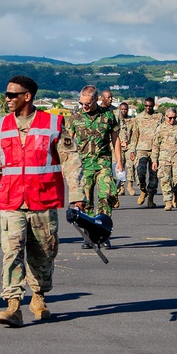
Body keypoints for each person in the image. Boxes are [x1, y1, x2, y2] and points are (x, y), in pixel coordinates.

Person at [0, 75, 85, 327]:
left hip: (44, 199)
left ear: (27, 96)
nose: (6, 99)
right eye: (6, 95)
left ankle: (38, 297)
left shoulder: (53, 124)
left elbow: (71, 162)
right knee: (12, 252)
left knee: (43, 253)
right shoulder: (0, 127)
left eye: (11, 95)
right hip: (11, 200)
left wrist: (78, 196)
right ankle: (13, 305)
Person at [67, 85, 122, 246]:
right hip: (83, 165)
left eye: (88, 103)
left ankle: (103, 233)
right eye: (81, 103)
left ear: (96, 100)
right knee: (86, 201)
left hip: (103, 162)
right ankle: (90, 234)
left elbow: (115, 139)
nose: (84, 106)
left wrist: (119, 161)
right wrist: (67, 164)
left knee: (107, 196)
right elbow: (68, 142)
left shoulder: (108, 116)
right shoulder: (75, 117)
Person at [151, 108, 177, 211]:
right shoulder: (160, 128)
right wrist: (154, 160)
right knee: (165, 180)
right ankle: (168, 201)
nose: (172, 120)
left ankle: (176, 193)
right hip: (164, 158)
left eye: (174, 117)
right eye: (170, 118)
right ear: (165, 117)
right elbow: (156, 145)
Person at [128, 97, 161, 208]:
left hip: (155, 150)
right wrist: (132, 150)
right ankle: (143, 189)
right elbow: (135, 135)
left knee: (153, 175)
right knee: (140, 171)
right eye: (146, 106)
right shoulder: (139, 118)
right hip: (142, 149)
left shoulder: (158, 117)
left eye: (150, 106)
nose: (148, 108)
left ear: (153, 106)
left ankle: (151, 199)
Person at [117, 102, 136, 196]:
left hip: (129, 146)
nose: (123, 111)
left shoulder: (132, 121)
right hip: (118, 147)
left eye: (125, 109)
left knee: (130, 166)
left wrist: (132, 148)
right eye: (122, 109)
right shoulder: (116, 121)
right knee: (120, 167)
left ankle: (130, 185)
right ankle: (121, 187)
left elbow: (134, 136)